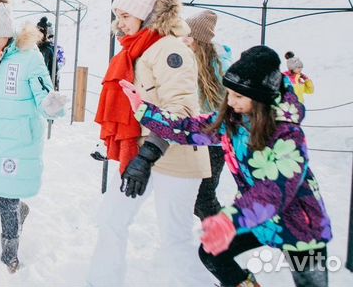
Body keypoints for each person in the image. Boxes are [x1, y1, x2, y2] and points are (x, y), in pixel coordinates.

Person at [120, 45, 331, 287]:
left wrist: (228, 220)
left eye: (239, 96)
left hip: (302, 227)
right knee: (212, 252)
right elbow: (189, 128)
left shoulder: (287, 134)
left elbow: (275, 192)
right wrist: (145, 110)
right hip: (260, 220)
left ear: (261, 97)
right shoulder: (234, 121)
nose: (230, 102)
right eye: (229, 93)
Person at [87, 0, 212, 286]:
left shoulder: (169, 49)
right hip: (141, 152)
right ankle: (103, 281)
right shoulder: (136, 51)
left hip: (175, 157)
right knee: (111, 218)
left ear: (146, 15)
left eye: (126, 15)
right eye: (118, 15)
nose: (120, 22)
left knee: (175, 241)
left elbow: (181, 112)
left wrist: (147, 155)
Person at [0, 0, 67, 273]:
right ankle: (19, 211)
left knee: (7, 199)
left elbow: (44, 97)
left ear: (8, 36)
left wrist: (52, 106)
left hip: (19, 141)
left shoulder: (28, 58)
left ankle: (10, 252)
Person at [183, 10, 234, 220]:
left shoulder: (221, 65)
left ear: (198, 40)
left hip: (215, 141)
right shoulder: (189, 59)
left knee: (203, 197)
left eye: (187, 36)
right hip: (195, 137)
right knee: (194, 196)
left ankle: (224, 236)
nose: (182, 40)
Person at [36, 16, 59, 90]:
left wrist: (54, 84)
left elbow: (54, 69)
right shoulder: (30, 48)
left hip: (44, 84)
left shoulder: (49, 49)